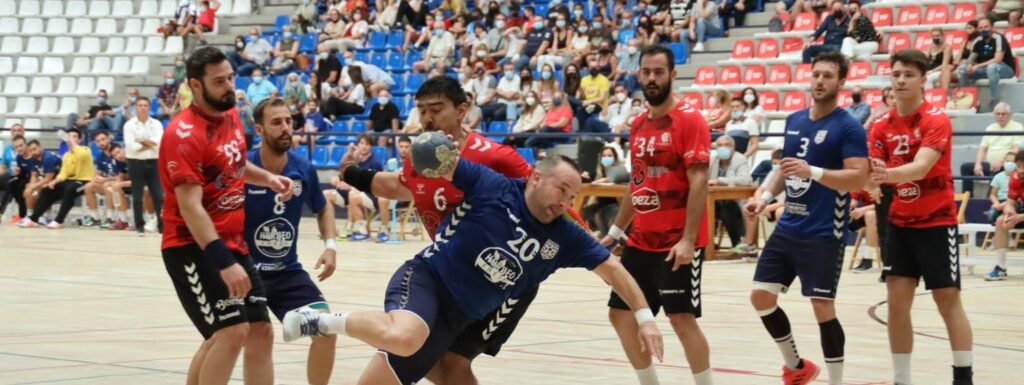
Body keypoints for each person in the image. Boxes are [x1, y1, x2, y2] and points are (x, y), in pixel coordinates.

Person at [283, 154, 664, 385]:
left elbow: (614, 269)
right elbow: (439, 165)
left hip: (457, 319)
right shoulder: (492, 186)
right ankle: (320, 321)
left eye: (573, 196)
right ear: (535, 177)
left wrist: (645, 317)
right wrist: (426, 147)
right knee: (406, 336)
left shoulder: (565, 236)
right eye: (561, 189)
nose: (565, 201)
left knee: (435, 369)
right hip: (426, 281)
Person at [329, 76, 586, 385]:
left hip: (502, 277)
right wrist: (350, 172)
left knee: (449, 362)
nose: (427, 118)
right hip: (449, 273)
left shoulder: (493, 157)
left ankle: (326, 324)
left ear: (462, 110)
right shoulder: (422, 155)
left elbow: (547, 188)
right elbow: (400, 185)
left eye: (436, 109)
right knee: (433, 359)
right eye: (422, 110)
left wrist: (592, 243)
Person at [158, 47, 294, 385]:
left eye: (231, 78)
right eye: (219, 81)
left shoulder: (231, 114)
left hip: (232, 243)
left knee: (260, 330)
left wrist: (267, 178)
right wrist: (223, 261)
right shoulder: (182, 133)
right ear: (196, 85)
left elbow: (231, 164)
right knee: (231, 332)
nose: (229, 86)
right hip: (192, 246)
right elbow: (190, 205)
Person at [743, 51, 869, 385]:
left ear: (841, 82)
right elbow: (784, 169)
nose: (819, 81)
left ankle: (836, 381)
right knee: (760, 296)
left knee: (821, 306)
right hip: (788, 228)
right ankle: (797, 367)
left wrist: (812, 171)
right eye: (816, 75)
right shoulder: (795, 120)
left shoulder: (848, 127)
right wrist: (765, 197)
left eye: (828, 76)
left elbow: (857, 178)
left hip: (824, 230)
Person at [599, 45, 714, 385]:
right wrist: (616, 233)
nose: (652, 78)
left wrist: (689, 240)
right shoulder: (637, 126)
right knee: (620, 314)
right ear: (639, 75)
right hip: (640, 242)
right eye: (647, 72)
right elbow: (636, 184)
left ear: (672, 75)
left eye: (659, 72)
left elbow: (700, 182)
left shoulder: (689, 120)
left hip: (676, 244)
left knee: (681, 319)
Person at [867, 49, 974, 385]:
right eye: (896, 74)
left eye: (908, 75)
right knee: (897, 306)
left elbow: (921, 167)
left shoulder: (936, 119)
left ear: (922, 79)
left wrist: (880, 177)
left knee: (947, 300)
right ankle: (902, 379)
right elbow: (870, 170)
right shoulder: (880, 126)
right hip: (898, 225)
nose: (900, 80)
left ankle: (963, 377)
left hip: (937, 222)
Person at [245, 98, 339, 385]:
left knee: (326, 330)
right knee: (259, 336)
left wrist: (330, 246)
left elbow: (323, 207)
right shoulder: (242, 168)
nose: (286, 128)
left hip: (287, 272)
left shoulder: (302, 168)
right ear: (259, 129)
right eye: (277, 122)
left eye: (288, 121)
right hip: (247, 272)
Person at [21, 129, 96, 229]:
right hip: (70, 181)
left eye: (74, 137)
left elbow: (81, 154)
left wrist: (72, 142)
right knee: (47, 189)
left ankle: (59, 221)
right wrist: (54, 181)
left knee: (70, 189)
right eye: (69, 136)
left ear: (79, 140)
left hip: (84, 181)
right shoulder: (66, 155)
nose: (71, 138)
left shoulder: (86, 150)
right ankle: (34, 219)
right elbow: (64, 173)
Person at [960, 102, 1024, 194]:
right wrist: (978, 165)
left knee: (996, 170)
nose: (1000, 116)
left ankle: (988, 200)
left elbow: (1016, 150)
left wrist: (1001, 161)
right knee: (965, 167)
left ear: (1009, 115)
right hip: (991, 164)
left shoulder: (1017, 127)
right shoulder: (990, 128)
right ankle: (967, 198)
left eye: (1003, 114)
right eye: (998, 114)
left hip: (1007, 165)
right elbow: (982, 149)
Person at [124, 97, 166, 235]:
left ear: (149, 107)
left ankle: (162, 226)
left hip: (154, 162)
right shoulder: (129, 125)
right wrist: (149, 143)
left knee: (158, 196)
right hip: (135, 163)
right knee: (137, 196)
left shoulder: (156, 124)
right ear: (136, 107)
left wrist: (141, 141)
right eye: (140, 105)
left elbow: (159, 143)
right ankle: (139, 226)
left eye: (145, 105)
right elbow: (131, 147)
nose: (143, 107)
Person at [957, 18, 1015, 111]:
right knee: (962, 69)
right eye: (981, 28)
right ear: (978, 30)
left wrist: (978, 66)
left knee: (992, 67)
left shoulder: (999, 38)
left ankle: (995, 101)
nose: (983, 30)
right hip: (986, 70)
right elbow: (971, 59)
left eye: (986, 27)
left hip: (1005, 69)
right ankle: (967, 101)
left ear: (992, 28)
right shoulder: (978, 41)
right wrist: (969, 66)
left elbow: (997, 59)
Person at [709, 135, 754, 251]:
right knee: (699, 207)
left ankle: (737, 242)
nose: (723, 148)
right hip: (713, 201)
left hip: (735, 201)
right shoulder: (712, 160)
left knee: (727, 207)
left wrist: (720, 181)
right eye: (719, 145)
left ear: (733, 148)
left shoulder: (740, 159)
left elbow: (745, 180)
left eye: (727, 145)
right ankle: (707, 244)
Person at [992, 151, 1024, 281]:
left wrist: (1019, 218)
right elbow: (1009, 203)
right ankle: (1001, 267)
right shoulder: (1015, 178)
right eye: (1019, 166)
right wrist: (1009, 214)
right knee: (1000, 220)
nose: (1021, 170)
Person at [583, 147, 629, 237]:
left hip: (616, 205)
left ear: (615, 158)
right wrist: (584, 177)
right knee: (584, 212)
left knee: (599, 215)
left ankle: (606, 242)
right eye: (604, 156)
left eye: (609, 156)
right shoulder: (597, 172)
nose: (606, 158)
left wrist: (607, 179)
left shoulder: (620, 172)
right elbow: (589, 181)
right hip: (600, 205)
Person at [80, 132, 121, 228]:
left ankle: (110, 218)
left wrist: (105, 179)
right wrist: (96, 179)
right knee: (89, 186)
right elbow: (99, 174)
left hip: (119, 182)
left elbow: (122, 176)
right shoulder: (100, 156)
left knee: (107, 186)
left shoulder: (117, 152)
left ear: (109, 139)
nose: (101, 143)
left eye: (103, 139)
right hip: (107, 182)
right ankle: (95, 218)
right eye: (98, 141)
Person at [16, 140, 60, 226]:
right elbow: (34, 176)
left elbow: (48, 179)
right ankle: (30, 215)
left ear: (40, 147)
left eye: (34, 149)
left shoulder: (48, 157)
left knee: (44, 187)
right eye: (30, 151)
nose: (33, 152)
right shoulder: (33, 159)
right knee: (28, 186)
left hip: (60, 181)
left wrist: (33, 188)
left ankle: (46, 216)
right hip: (48, 179)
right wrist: (31, 187)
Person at [0, 135, 28, 222]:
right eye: (16, 147)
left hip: (34, 179)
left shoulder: (32, 155)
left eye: (21, 145)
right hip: (22, 178)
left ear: (26, 144)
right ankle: (1, 212)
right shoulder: (18, 157)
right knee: (11, 184)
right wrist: (19, 172)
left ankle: (23, 214)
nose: (19, 148)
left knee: (21, 185)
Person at [926, 27, 954, 94]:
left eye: (937, 36)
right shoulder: (929, 47)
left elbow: (944, 64)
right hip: (929, 71)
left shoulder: (947, 47)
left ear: (942, 36)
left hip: (940, 71)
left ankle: (930, 97)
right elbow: (926, 61)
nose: (935, 38)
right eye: (933, 36)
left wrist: (932, 71)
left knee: (928, 78)